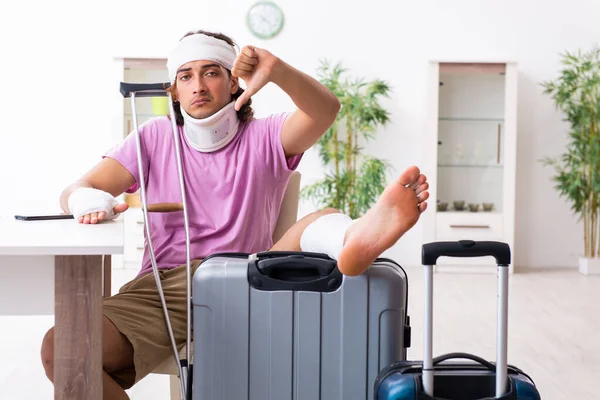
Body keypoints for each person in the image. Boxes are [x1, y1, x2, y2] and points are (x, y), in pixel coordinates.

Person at [40, 30, 429, 399]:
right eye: (186, 76)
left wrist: (276, 70)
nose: (199, 85)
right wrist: (87, 201)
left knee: (318, 219)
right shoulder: (154, 136)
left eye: (211, 72)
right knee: (62, 348)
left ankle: (355, 239)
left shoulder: (264, 135)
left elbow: (326, 109)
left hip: (248, 278)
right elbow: (74, 190)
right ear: (173, 91)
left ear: (233, 83)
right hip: (168, 288)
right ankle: (351, 237)